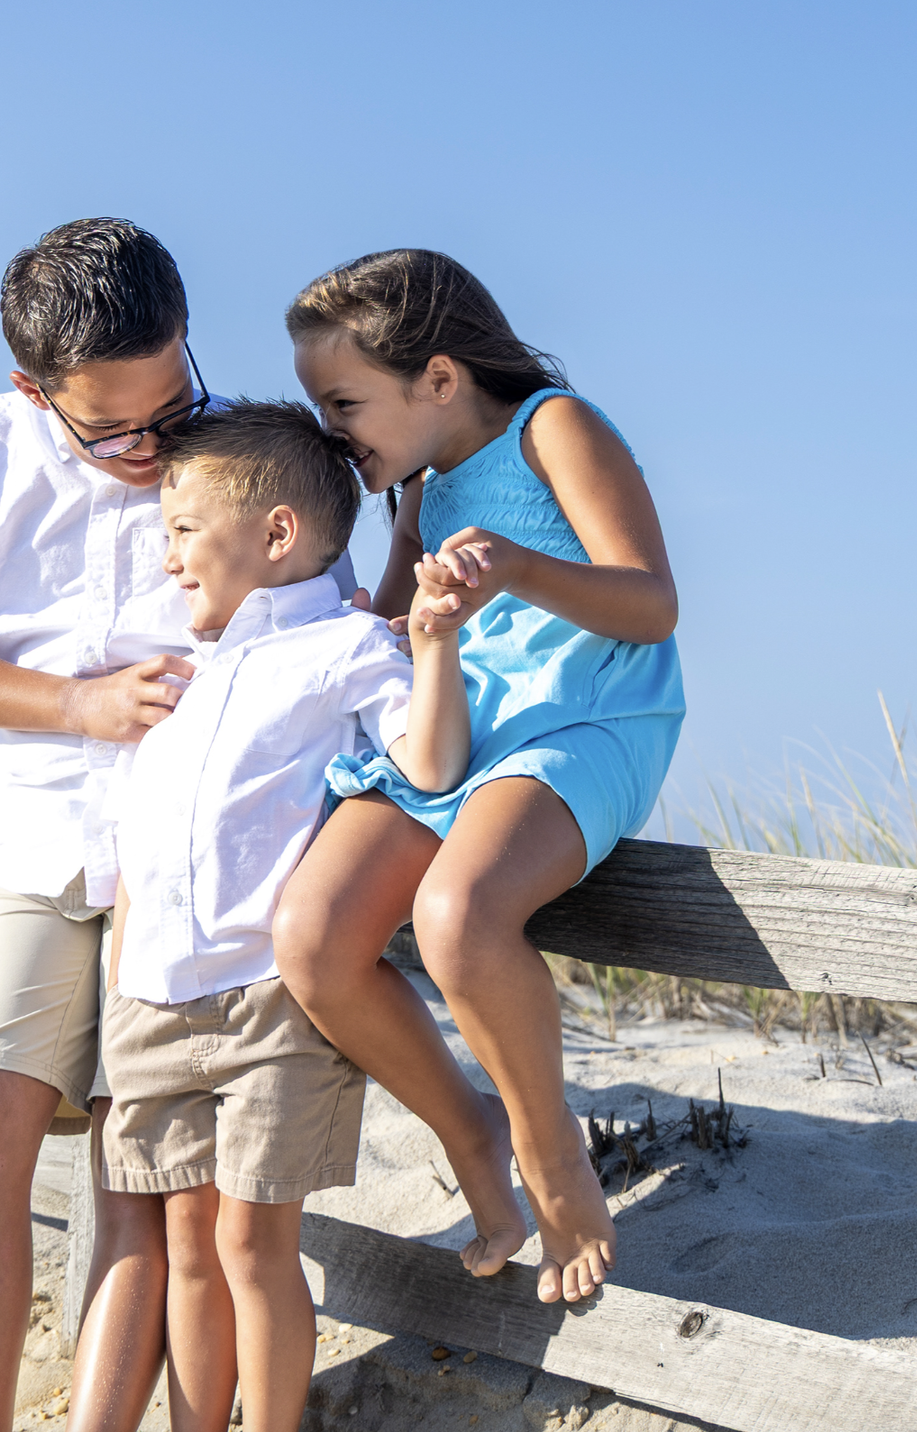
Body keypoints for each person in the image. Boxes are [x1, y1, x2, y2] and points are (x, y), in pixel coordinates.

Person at [0, 218, 360, 1429]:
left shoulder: (240, 463)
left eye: (170, 401)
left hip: (197, 873)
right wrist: (77, 705)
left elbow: (331, 627)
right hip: (44, 839)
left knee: (139, 1184)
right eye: (111, 427)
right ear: (30, 391)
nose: (152, 448)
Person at [274, 248, 685, 1306]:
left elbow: (650, 603)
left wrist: (515, 565)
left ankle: (551, 1157)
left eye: (344, 401)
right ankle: (473, 1127)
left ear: (440, 379)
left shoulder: (556, 424)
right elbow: (388, 626)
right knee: (310, 935)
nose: (331, 428)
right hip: (455, 732)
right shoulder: (417, 484)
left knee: (457, 912)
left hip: (583, 717)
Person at [86, 400, 472, 1432]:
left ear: (275, 535)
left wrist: (430, 642)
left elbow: (430, 763)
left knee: (254, 1245)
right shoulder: (192, 677)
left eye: (180, 529)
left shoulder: (344, 649)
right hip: (153, 1002)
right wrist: (123, 980)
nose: (166, 557)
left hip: (264, 1005)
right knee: (187, 1248)